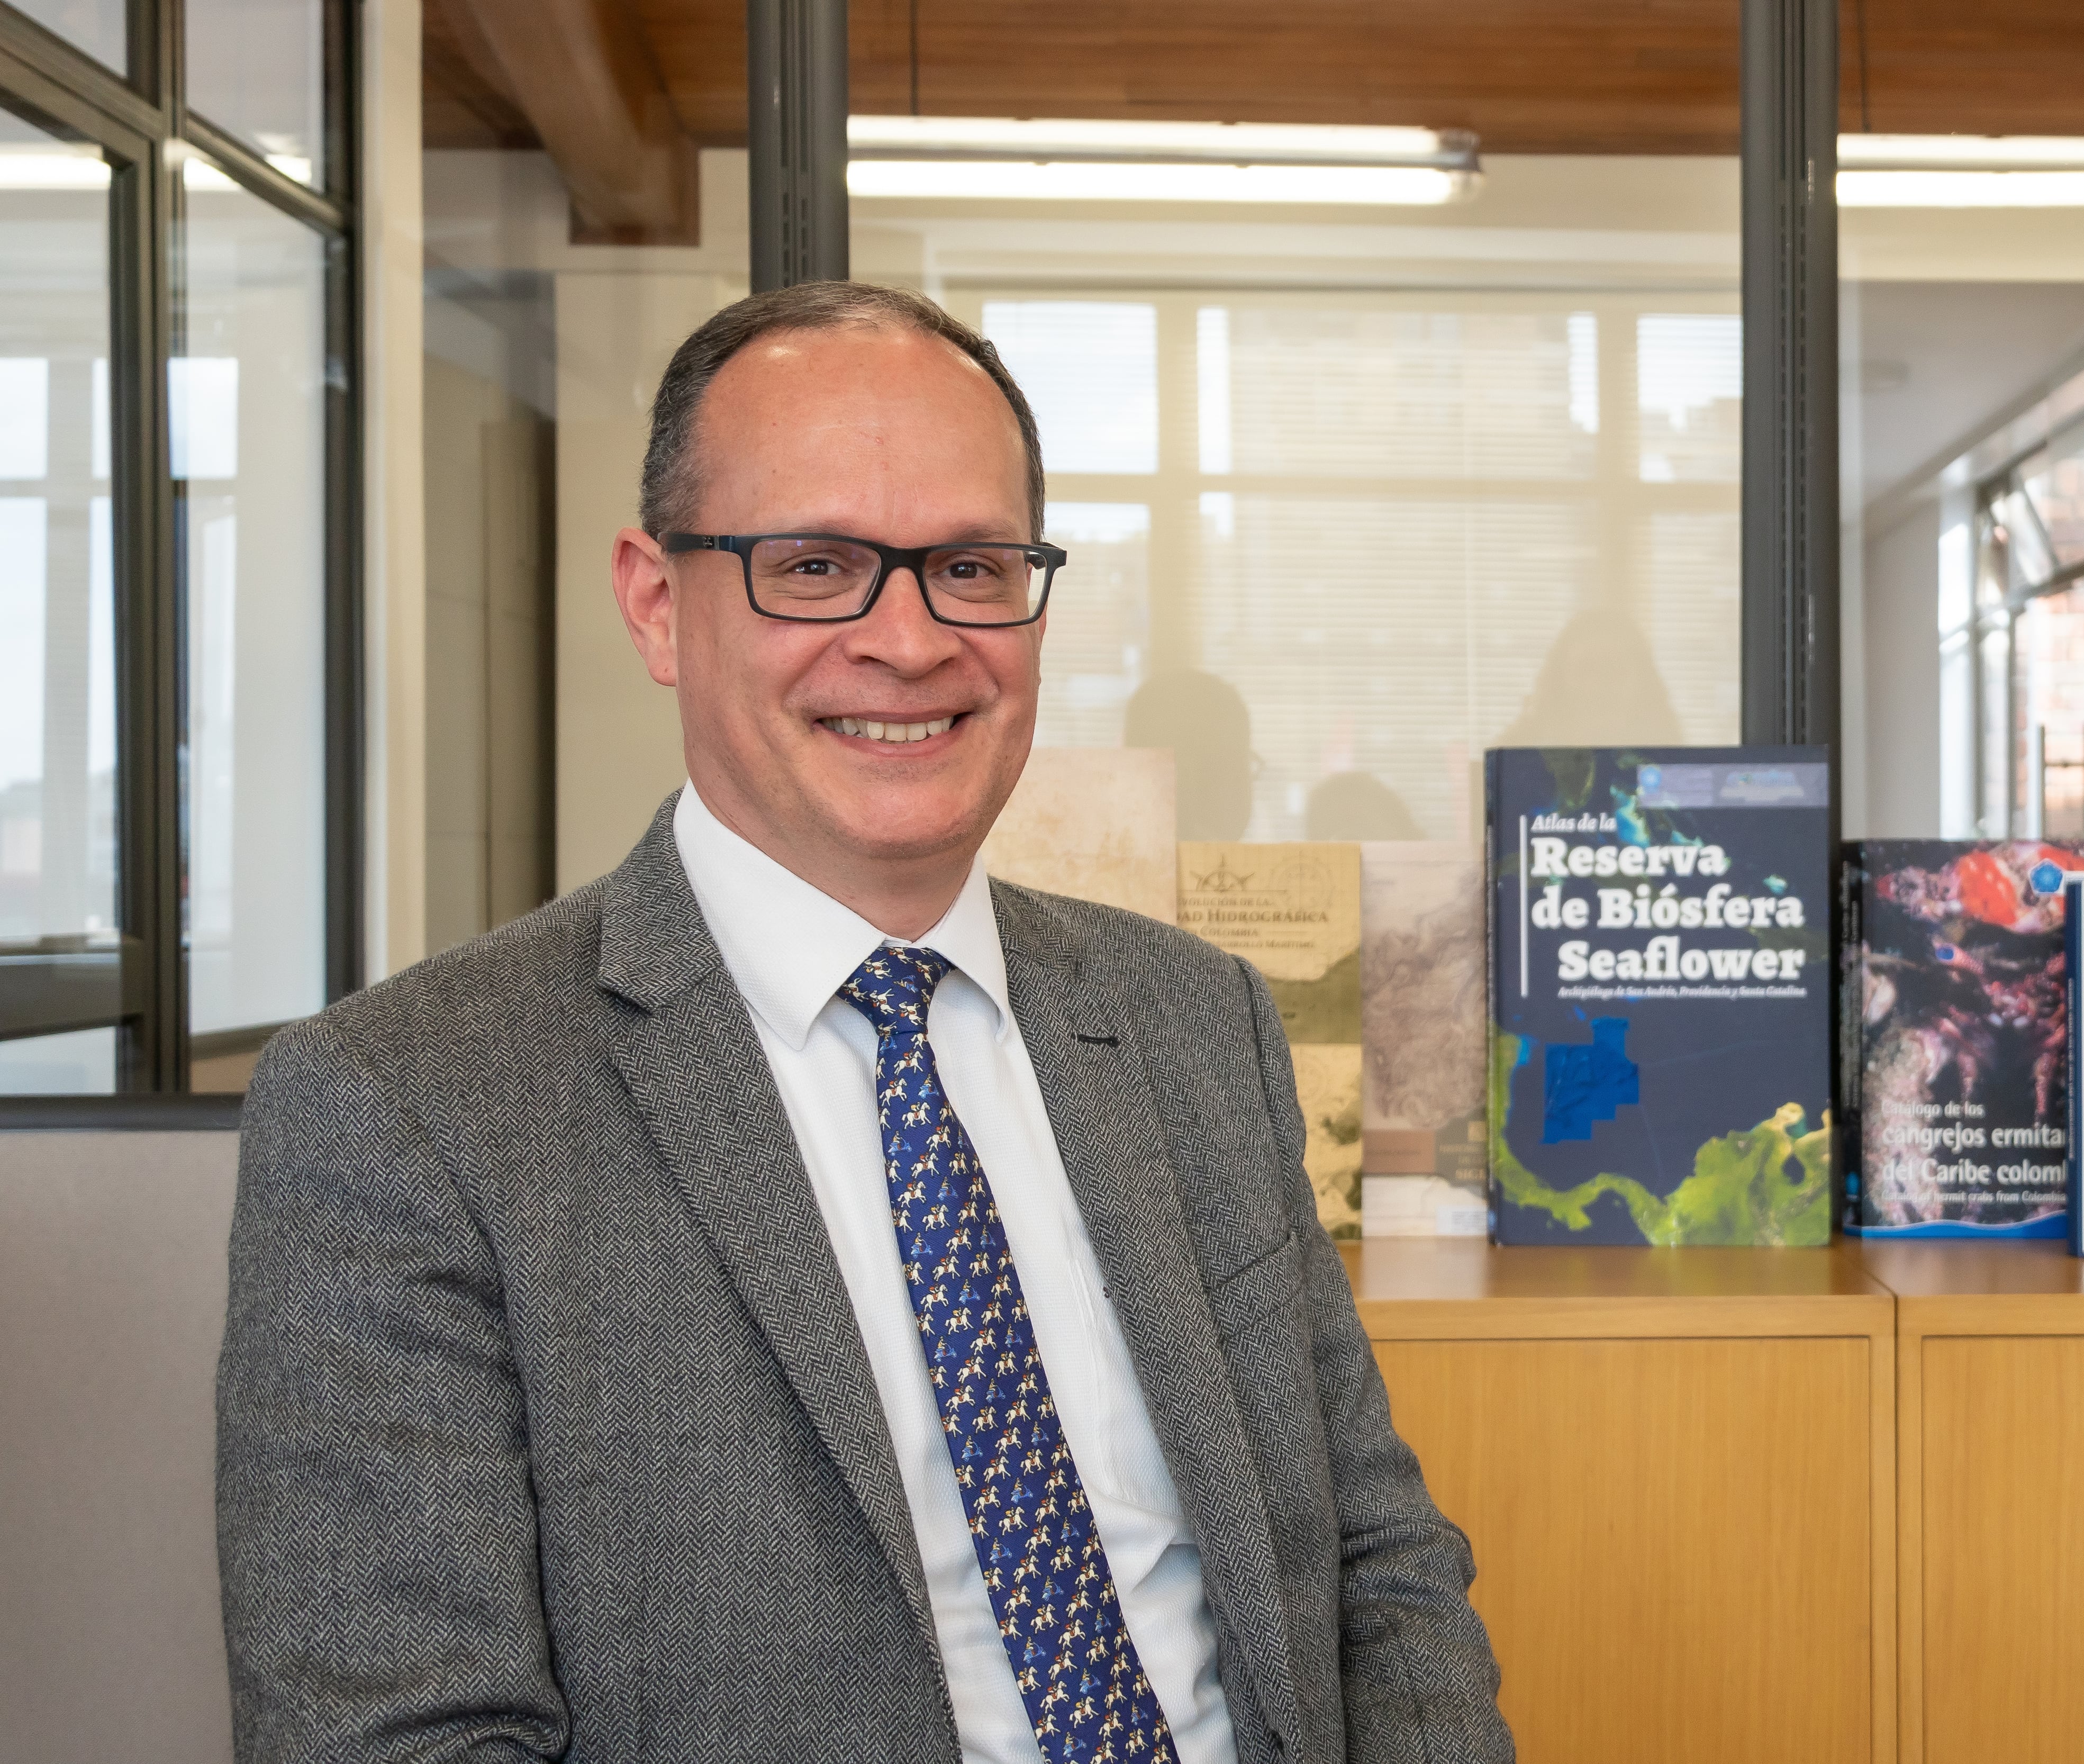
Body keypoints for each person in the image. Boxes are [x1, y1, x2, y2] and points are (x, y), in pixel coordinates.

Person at [215, 282, 1509, 1764]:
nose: (909, 642)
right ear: (656, 601)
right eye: (817, 565)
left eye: (970, 565)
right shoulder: (410, 1107)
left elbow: (1375, 1561)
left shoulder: (1193, 1022)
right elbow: (398, 1740)